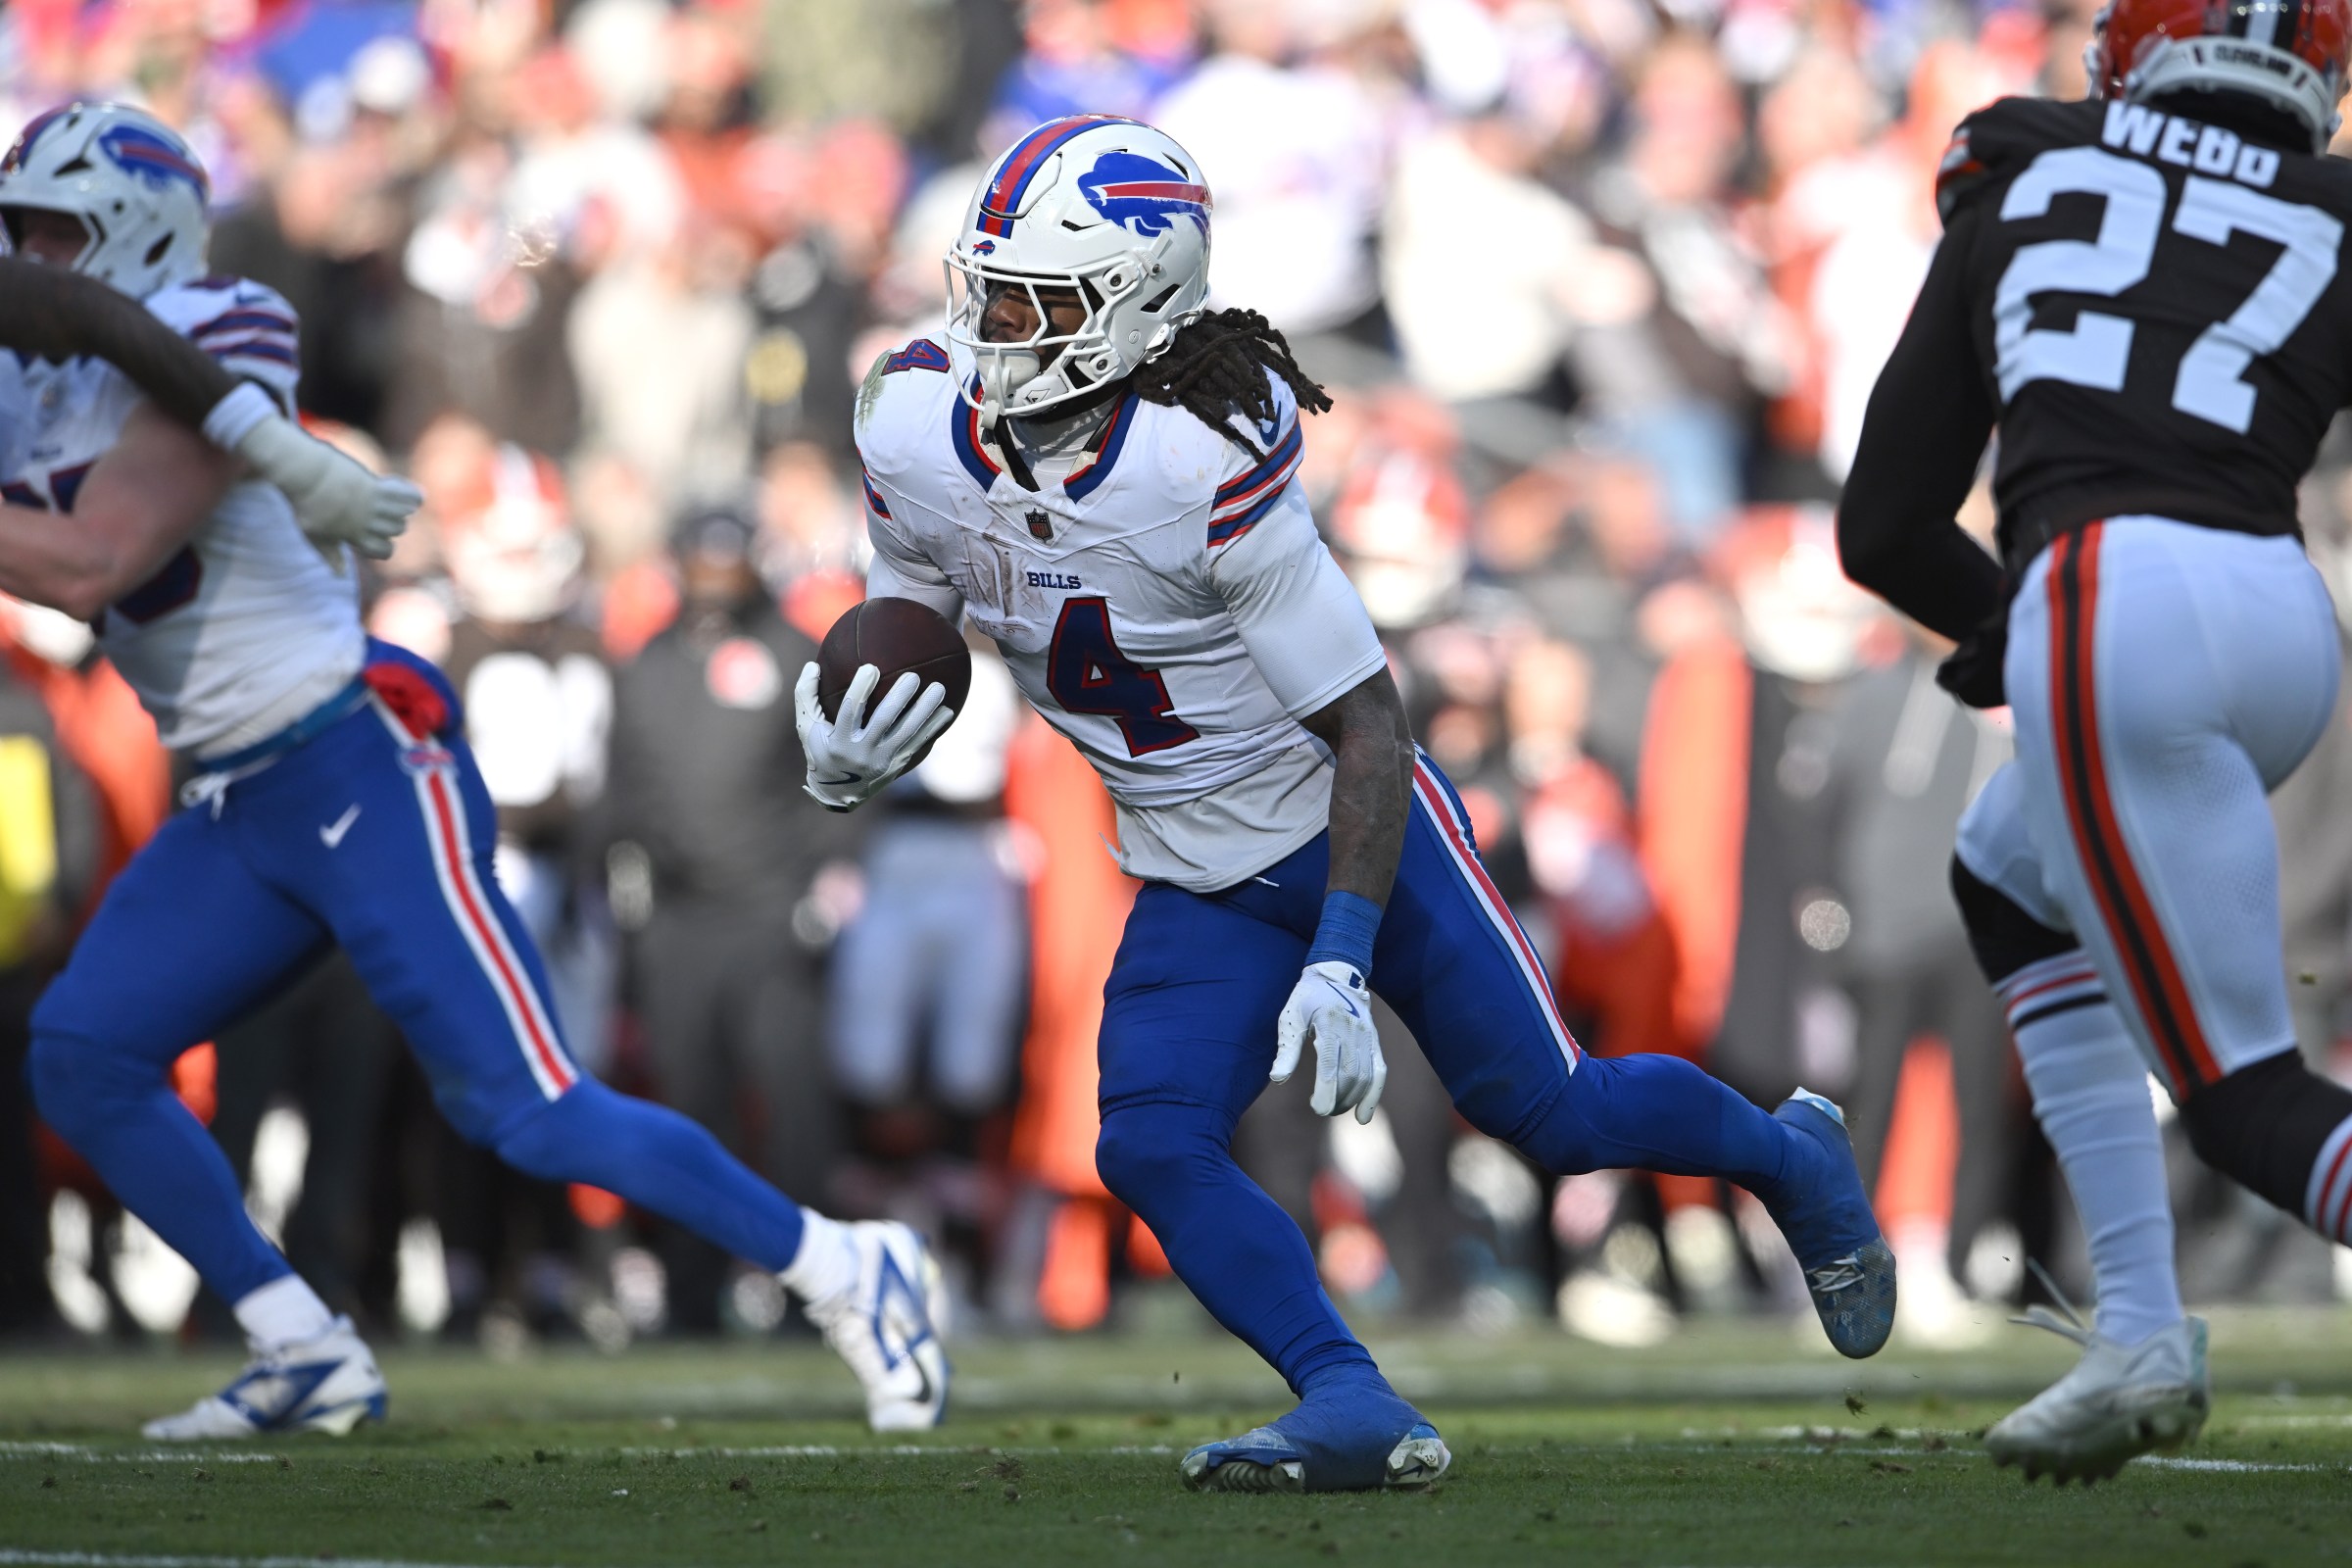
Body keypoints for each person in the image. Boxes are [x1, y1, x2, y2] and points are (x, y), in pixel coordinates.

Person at [813, 113, 1894, 1494]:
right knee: (1148, 1142)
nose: (995, 328)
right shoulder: (916, 420)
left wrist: (1339, 949)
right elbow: (911, 601)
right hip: (1192, 862)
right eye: (988, 291)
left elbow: (1370, 729)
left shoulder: (1201, 457)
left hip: (1346, 825)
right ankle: (1349, 1397)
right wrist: (854, 735)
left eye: (1036, 301)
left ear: (1138, 304)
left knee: (1552, 1118)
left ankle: (1789, 1156)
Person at [0, 102, 946, 1439]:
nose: (31, 257)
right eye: (16, 231)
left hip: (353, 765)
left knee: (529, 1109)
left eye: (54, 230)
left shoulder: (228, 327)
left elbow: (101, 553)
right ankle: (299, 1342)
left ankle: (846, 1266)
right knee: (85, 1053)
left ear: (142, 225)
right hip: (233, 802)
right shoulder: (29, 376)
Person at [1838, 0, 2352, 1482]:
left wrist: (2017, 635)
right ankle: (2134, 1325)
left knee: (2245, 1098)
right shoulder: (2328, 204)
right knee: (2006, 869)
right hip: (2282, 612)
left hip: (2113, 595)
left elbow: (1882, 527)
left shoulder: (2023, 177)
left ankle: (2140, 1328)